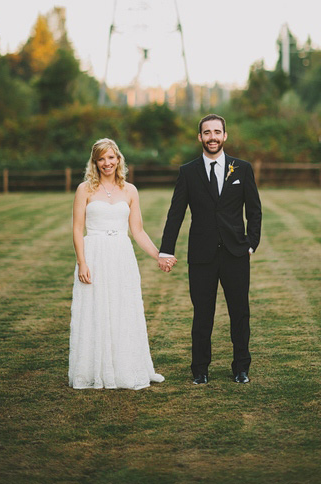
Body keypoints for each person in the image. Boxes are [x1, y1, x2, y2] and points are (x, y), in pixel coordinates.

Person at [159, 114, 262, 385]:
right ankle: (200, 370)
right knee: (202, 314)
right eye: (207, 132)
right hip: (201, 256)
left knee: (239, 313)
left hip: (235, 254)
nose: (212, 137)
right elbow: (175, 214)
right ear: (200, 137)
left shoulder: (242, 169)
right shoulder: (188, 172)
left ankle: (241, 368)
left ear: (225, 136)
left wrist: (251, 244)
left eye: (217, 132)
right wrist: (165, 250)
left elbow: (254, 210)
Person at [69, 138, 176, 389]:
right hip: (94, 254)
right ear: (95, 162)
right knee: (95, 309)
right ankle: (93, 369)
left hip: (121, 256)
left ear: (118, 159)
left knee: (122, 309)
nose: (107, 163)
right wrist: (82, 262)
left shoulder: (130, 190)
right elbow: (76, 228)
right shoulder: (84, 189)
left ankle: (125, 367)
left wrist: (159, 255)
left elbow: (137, 231)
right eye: (101, 159)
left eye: (111, 157)